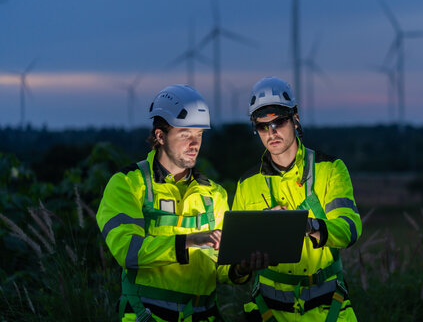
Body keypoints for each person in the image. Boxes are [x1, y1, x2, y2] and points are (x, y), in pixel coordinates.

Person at [96, 84, 248, 322]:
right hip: (148, 316)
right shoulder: (127, 184)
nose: (194, 143)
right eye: (185, 134)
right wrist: (188, 241)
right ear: (160, 135)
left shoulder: (214, 194)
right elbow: (129, 252)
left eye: (199, 135)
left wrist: (241, 267)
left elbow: (221, 268)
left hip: (204, 316)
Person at [232, 77, 362, 321]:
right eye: (262, 126)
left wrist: (307, 225)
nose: (272, 132)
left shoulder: (330, 170)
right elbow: (232, 270)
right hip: (266, 312)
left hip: (327, 311)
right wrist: (241, 266)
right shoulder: (246, 184)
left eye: (278, 121)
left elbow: (350, 230)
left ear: (296, 118)